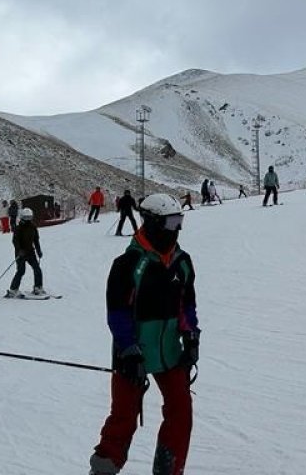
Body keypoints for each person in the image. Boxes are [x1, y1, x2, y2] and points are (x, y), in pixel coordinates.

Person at [89, 193, 198, 475]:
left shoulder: (182, 262)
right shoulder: (127, 264)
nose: (177, 229)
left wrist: (191, 335)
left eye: (179, 221)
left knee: (181, 413)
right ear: (151, 223)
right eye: (171, 222)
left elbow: (187, 304)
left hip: (170, 351)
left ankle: (170, 470)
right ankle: (103, 469)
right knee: (123, 417)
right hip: (132, 353)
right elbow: (117, 313)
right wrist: (128, 348)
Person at [6, 207, 45, 298]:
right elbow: (15, 241)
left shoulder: (33, 227)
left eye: (29, 217)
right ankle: (13, 290)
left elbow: (36, 240)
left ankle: (38, 287)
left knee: (37, 269)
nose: (28, 220)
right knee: (21, 271)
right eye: (26, 218)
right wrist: (19, 250)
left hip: (30, 252)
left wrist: (39, 251)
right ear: (22, 217)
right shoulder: (18, 228)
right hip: (21, 253)